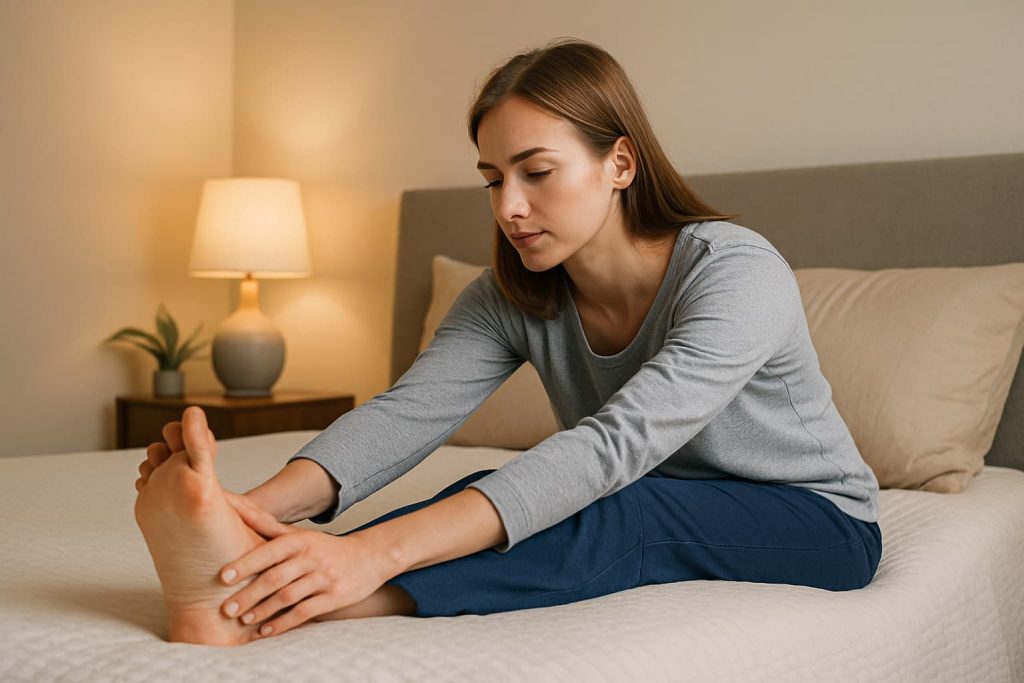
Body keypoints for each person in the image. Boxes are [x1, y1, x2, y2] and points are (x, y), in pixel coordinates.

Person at [133, 38, 883, 647]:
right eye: (493, 179)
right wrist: (249, 508)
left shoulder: (737, 272)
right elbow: (405, 416)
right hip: (640, 488)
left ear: (619, 163)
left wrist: (372, 551)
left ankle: (277, 606)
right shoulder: (512, 292)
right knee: (486, 491)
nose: (510, 207)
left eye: (537, 172)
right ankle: (262, 565)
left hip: (814, 518)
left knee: (618, 505)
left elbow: (610, 449)